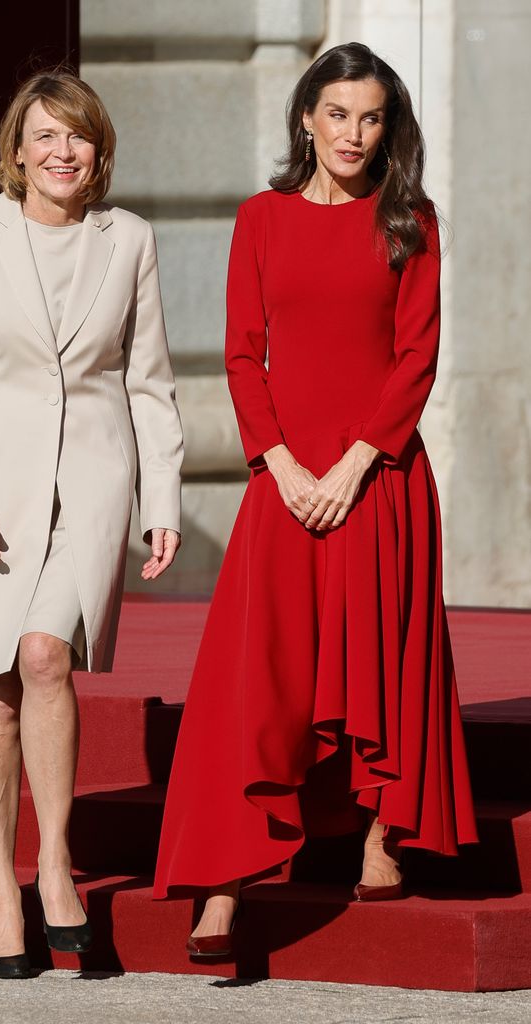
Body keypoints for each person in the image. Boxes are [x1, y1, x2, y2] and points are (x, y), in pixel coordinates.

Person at [153, 41, 477, 957]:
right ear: (306, 117)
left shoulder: (410, 219)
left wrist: (354, 465)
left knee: (379, 656)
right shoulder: (260, 218)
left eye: (371, 117)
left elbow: (418, 355)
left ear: (389, 128)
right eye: (337, 114)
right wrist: (283, 465)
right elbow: (240, 351)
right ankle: (222, 887)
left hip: (378, 481)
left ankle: (380, 836)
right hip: (285, 485)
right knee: (256, 681)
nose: (353, 133)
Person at [0, 68, 183, 978]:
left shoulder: (130, 240)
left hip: (95, 487)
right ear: (17, 150)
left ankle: (56, 863)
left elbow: (148, 380)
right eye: (46, 136)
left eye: (78, 136)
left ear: (98, 150)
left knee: (43, 655)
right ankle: (1, 890)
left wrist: (163, 500)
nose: (62, 151)